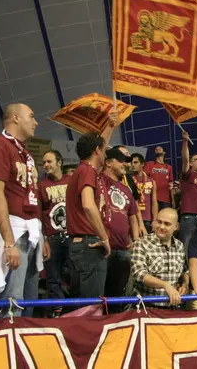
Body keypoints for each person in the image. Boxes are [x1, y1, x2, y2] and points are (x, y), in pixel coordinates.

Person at [0, 103, 43, 318]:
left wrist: (42, 236)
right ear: (16, 118)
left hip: (30, 232)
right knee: (11, 302)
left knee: (28, 299)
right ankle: (4, 348)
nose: (36, 122)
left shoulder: (24, 153)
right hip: (12, 231)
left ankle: (21, 345)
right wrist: (8, 241)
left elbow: (31, 196)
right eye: (31, 116)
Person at [66, 127, 115, 299]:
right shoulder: (87, 171)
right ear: (97, 151)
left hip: (81, 245)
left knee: (79, 305)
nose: (106, 153)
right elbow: (88, 205)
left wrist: (110, 126)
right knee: (92, 307)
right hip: (91, 245)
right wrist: (104, 238)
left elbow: (100, 143)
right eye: (104, 150)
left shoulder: (82, 170)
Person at [100, 148, 139, 306]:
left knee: (116, 297)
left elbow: (133, 218)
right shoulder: (99, 179)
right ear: (108, 162)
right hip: (102, 247)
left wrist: (135, 240)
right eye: (121, 160)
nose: (126, 164)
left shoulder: (126, 190)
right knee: (98, 296)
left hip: (123, 249)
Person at [131, 208, 189, 308]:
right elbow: (139, 274)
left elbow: (185, 271)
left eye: (167, 224)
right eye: (159, 222)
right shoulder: (142, 243)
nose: (161, 226)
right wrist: (165, 285)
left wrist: (184, 285)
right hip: (147, 308)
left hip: (173, 308)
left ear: (176, 227)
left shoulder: (179, 245)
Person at [39, 149, 70, 318]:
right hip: (52, 237)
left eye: (49, 161)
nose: (46, 165)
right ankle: (57, 309)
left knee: (75, 273)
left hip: (72, 236)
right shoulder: (41, 185)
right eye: (44, 162)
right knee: (53, 275)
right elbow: (39, 213)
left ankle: (73, 306)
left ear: (60, 162)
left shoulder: (71, 181)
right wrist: (44, 238)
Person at [131, 153, 158, 233]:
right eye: (131, 163)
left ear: (142, 164)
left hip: (147, 219)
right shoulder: (128, 180)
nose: (132, 165)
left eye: (135, 162)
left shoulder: (151, 181)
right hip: (133, 219)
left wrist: (155, 220)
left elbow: (154, 202)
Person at [145, 146, 175, 210]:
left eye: (160, 148)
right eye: (156, 149)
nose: (158, 149)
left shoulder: (169, 167)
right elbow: (144, 179)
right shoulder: (149, 164)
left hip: (166, 199)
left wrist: (173, 200)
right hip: (152, 198)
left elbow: (171, 185)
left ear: (164, 152)